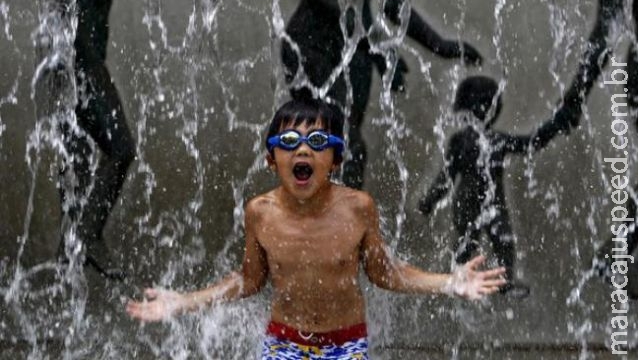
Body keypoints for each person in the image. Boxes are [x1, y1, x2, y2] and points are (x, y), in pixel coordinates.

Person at [127, 98, 505, 359]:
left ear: (336, 160)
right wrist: (183, 301)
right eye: (289, 142)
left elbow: (385, 273)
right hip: (284, 343)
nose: (303, 151)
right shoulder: (260, 212)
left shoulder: (358, 208)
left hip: (345, 345)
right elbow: (249, 280)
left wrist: (449, 282)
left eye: (318, 141)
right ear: (271, 159)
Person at [264, 0, 483, 189]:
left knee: (351, 146)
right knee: (334, 137)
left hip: (355, 50)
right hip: (311, 46)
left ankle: (346, 226)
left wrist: (441, 45)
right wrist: (377, 49)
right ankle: (319, 225)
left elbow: (394, 3)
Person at [419, 76, 577, 299]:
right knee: (467, 242)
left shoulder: (497, 140)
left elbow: (533, 142)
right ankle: (458, 279)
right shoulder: (460, 142)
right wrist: (431, 199)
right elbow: (446, 177)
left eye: (489, 102)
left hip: (494, 203)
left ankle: (504, 281)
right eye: (482, 102)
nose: (485, 108)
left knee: (504, 240)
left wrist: (557, 123)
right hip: (467, 203)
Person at [58, 0, 135, 280]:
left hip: (79, 65)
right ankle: (89, 234)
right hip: (81, 65)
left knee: (79, 168)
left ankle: (65, 277)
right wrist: (82, 68)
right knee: (121, 147)